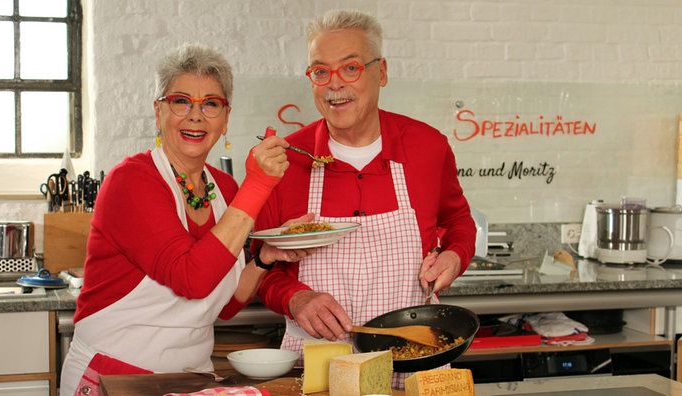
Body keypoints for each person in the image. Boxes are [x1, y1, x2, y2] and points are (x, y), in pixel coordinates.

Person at [60, 43, 310, 396]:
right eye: (181, 101)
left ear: (225, 120)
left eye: (211, 104)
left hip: (191, 378)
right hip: (115, 375)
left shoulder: (224, 187)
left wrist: (266, 257)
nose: (196, 115)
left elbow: (224, 303)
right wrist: (258, 185)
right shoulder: (131, 180)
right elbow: (191, 279)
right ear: (158, 111)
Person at [253, 9, 476, 388]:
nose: (333, 85)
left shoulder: (427, 146)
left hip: (414, 356)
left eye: (350, 68)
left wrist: (455, 256)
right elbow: (263, 268)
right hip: (318, 364)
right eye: (320, 71)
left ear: (382, 72)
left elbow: (459, 222)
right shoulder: (287, 160)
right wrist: (295, 299)